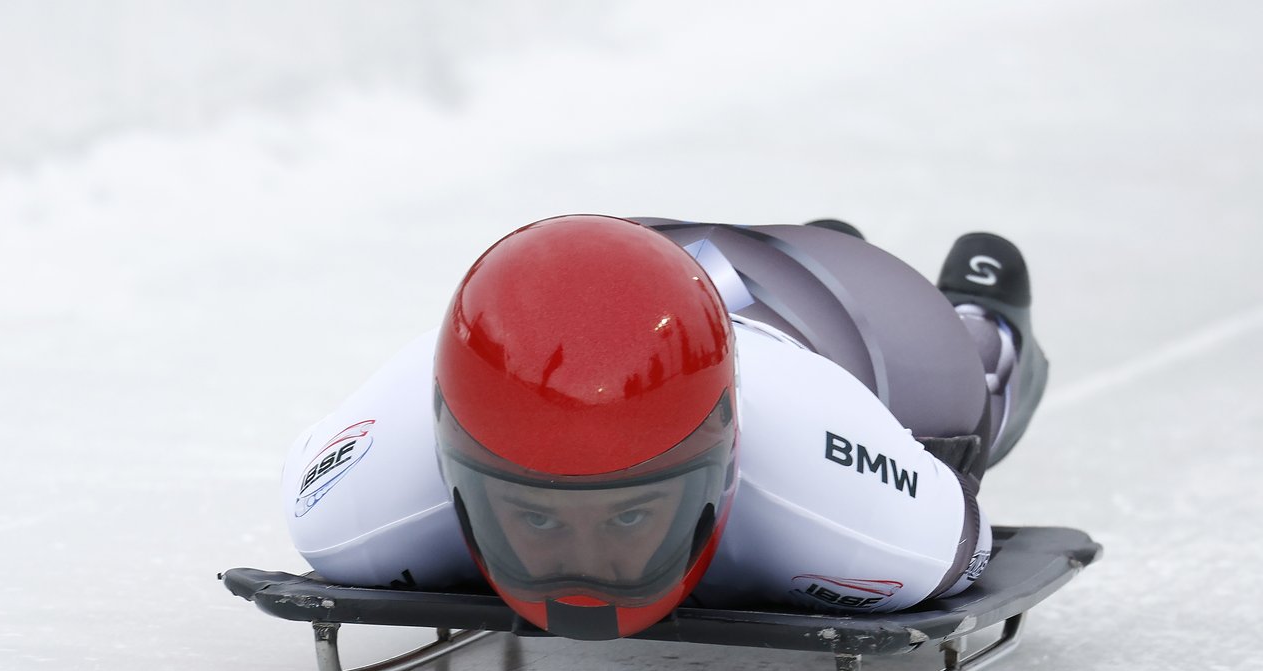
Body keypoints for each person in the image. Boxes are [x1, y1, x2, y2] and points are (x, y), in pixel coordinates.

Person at [282, 215, 1047, 639]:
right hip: (630, 271)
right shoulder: (357, 501)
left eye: (633, 512)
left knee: (968, 406)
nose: (588, 569)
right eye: (537, 516)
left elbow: (964, 543)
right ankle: (826, 240)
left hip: (830, 315)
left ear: (728, 458)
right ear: (451, 470)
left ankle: (981, 320)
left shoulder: (872, 524)